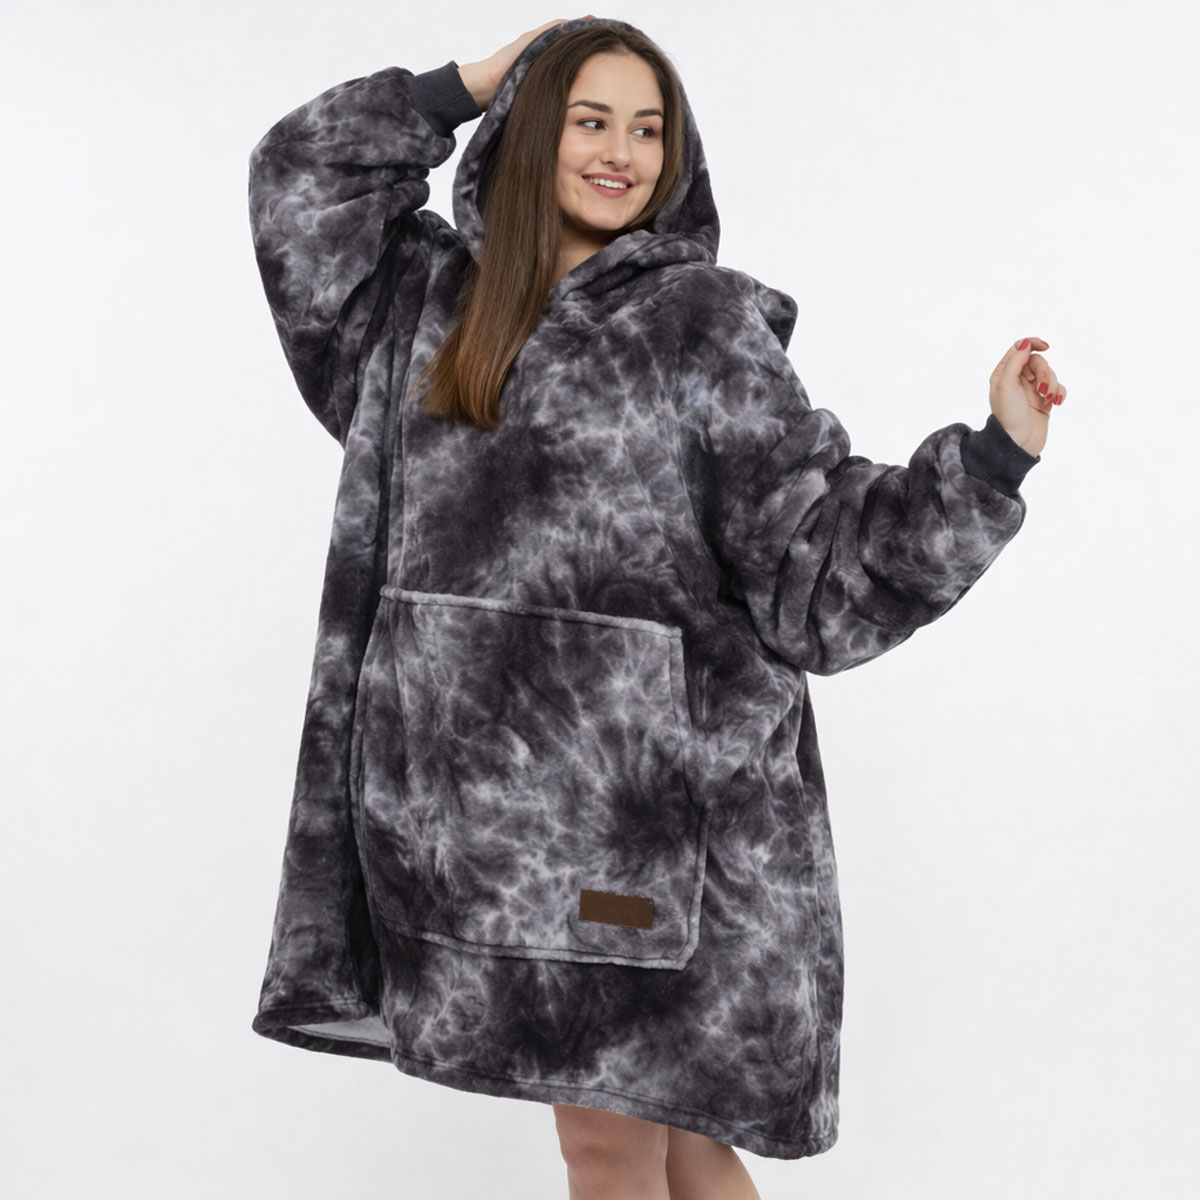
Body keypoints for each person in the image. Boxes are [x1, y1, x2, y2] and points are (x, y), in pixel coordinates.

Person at [246, 16, 1067, 1199]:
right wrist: (476, 80)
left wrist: (993, 459)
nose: (621, 153)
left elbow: (817, 562)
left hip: (645, 831)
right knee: (676, 1143)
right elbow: (301, 174)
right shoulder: (419, 303)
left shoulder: (701, 323)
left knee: (611, 1141)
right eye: (589, 120)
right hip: (468, 825)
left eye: (647, 129)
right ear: (532, 131)